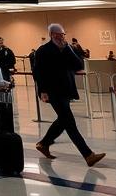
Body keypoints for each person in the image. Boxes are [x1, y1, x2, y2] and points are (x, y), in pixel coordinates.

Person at [34, 24, 105, 166]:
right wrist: (42, 90)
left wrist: (68, 49)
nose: (63, 37)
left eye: (64, 34)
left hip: (66, 89)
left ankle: (44, 143)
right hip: (53, 90)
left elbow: (79, 64)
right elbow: (38, 72)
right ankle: (88, 155)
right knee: (69, 122)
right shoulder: (43, 50)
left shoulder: (68, 48)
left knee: (63, 120)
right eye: (61, 34)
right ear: (53, 34)